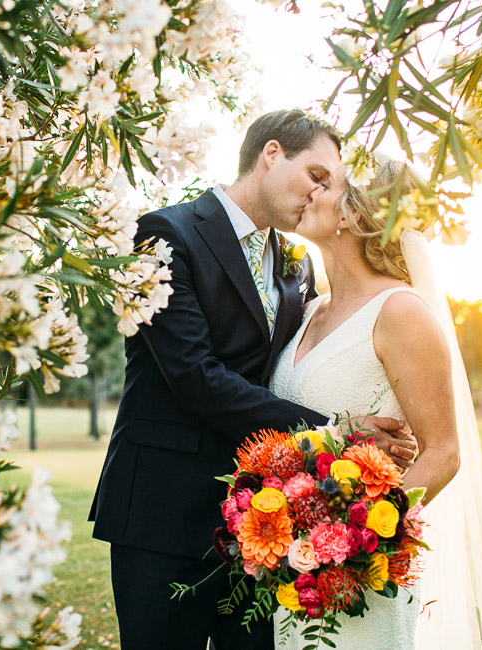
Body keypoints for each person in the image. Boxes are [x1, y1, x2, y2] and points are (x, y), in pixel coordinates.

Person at [88, 110, 418, 650]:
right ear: (270, 154)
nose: (321, 195)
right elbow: (196, 378)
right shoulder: (163, 233)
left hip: (262, 525)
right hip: (162, 513)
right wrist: (336, 427)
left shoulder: (294, 264)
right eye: (316, 175)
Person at [270, 155, 482, 649]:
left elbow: (443, 452)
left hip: (356, 577)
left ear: (354, 214)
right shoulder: (309, 311)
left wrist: (354, 541)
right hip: (292, 571)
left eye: (323, 183)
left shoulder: (401, 312)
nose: (307, 189)